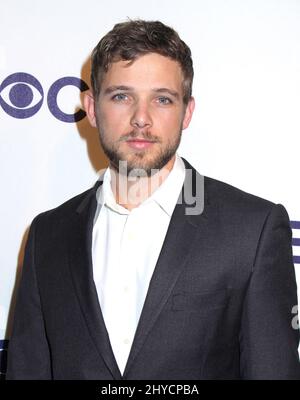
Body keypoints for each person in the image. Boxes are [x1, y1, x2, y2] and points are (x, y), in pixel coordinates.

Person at [6, 19, 300, 380]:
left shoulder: (252, 230)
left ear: (187, 112)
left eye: (162, 99)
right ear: (92, 108)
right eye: (121, 96)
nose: (141, 119)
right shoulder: (48, 235)